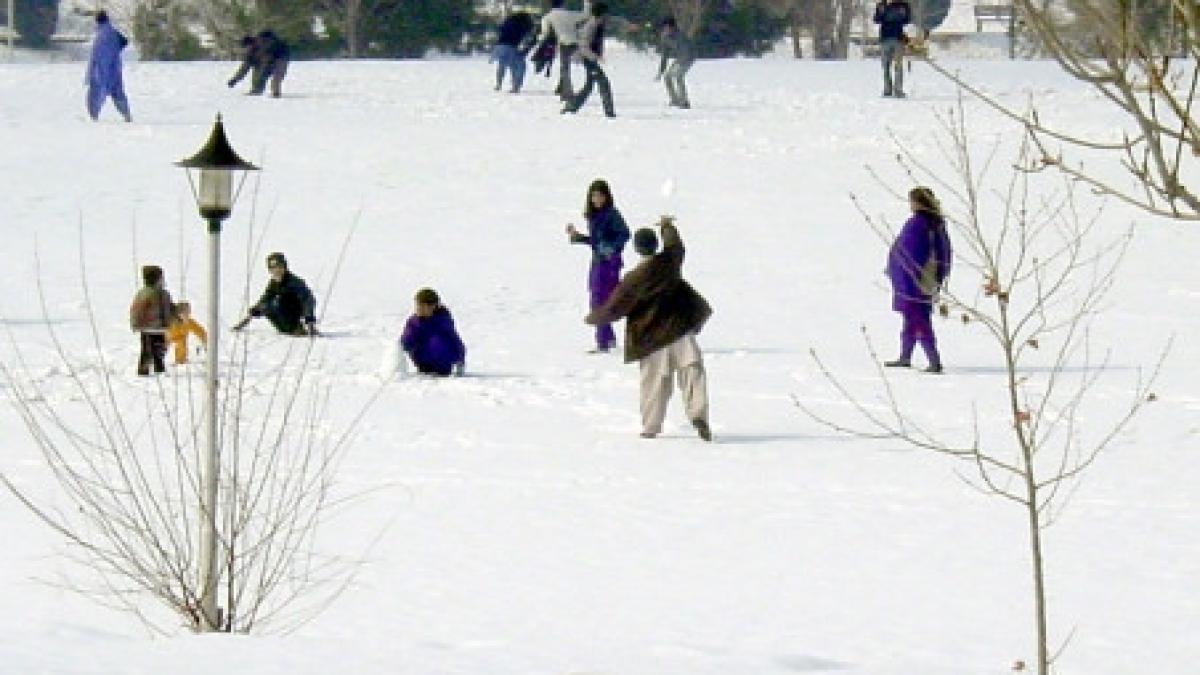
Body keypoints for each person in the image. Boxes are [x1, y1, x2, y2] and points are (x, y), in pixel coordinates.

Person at [586, 216, 713, 441]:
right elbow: (676, 245)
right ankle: (698, 414)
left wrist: (593, 318)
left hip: (651, 338)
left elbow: (614, 308)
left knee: (654, 385)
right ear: (655, 245)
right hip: (679, 329)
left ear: (637, 249)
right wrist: (667, 226)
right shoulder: (669, 262)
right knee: (693, 373)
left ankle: (651, 427)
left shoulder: (633, 280)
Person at [885, 187, 952, 373]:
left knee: (918, 317)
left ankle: (934, 360)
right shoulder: (935, 224)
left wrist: (902, 271)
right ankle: (905, 356)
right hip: (924, 279)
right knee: (911, 317)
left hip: (914, 280)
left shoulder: (919, 224)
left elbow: (910, 253)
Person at [566, 179, 629, 353]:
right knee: (597, 299)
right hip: (597, 262)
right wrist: (577, 237)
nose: (597, 199)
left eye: (600, 195)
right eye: (594, 196)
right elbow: (596, 242)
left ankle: (604, 341)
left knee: (601, 300)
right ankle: (607, 338)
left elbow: (625, 234)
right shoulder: (594, 216)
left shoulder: (612, 214)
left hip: (609, 263)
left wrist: (612, 248)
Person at [232, 252, 319, 336]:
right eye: (273, 268)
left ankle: (297, 328)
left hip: (295, 313)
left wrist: (309, 320)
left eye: (280, 267)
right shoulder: (273, 283)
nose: (277, 270)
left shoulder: (294, 282)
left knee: (279, 301)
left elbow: (308, 299)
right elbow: (265, 299)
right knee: (267, 306)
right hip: (282, 320)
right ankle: (291, 329)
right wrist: (250, 315)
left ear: (285, 267)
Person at [562, 2, 615, 118]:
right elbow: (583, 46)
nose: (608, 16)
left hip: (590, 58)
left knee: (589, 86)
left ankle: (571, 107)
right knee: (603, 83)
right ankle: (609, 112)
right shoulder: (590, 26)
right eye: (606, 14)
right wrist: (595, 57)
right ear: (601, 14)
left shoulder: (598, 24)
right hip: (587, 59)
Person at [400, 288, 467, 376]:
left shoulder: (442, 322)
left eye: (423, 306)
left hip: (442, 366)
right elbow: (405, 341)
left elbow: (456, 343)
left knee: (437, 340)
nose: (419, 309)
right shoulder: (414, 322)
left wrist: (460, 362)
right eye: (418, 305)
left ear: (433, 306)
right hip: (422, 363)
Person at [85, 10, 131, 122]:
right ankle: (127, 115)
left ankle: (93, 116)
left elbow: (96, 56)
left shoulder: (101, 35)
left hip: (102, 70)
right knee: (118, 93)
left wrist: (91, 73)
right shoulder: (112, 31)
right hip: (115, 69)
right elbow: (125, 41)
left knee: (96, 92)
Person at [129, 265, 174, 376]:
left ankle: (152, 369)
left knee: (153, 349)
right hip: (152, 327)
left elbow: (170, 308)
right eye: (161, 278)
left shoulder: (160, 294)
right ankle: (151, 370)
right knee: (153, 349)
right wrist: (135, 323)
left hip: (153, 328)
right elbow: (136, 310)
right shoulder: (153, 294)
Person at [541, 0, 584, 102]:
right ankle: (561, 88)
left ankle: (567, 94)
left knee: (565, 68)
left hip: (564, 43)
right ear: (563, 4)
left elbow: (545, 32)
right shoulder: (570, 14)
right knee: (569, 68)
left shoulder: (548, 17)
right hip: (576, 42)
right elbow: (584, 16)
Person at [874, 0, 912, 98]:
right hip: (885, 39)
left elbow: (907, 21)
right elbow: (876, 20)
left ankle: (898, 90)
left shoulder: (904, 5)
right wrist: (880, 11)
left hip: (898, 39)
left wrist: (903, 14)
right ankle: (887, 89)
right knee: (885, 66)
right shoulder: (882, 5)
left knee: (898, 66)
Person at [492, 11, 536, 93]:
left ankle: (498, 84)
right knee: (520, 66)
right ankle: (516, 87)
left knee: (503, 64)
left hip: (499, 46)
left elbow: (500, 29)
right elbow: (528, 38)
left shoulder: (508, 21)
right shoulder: (523, 25)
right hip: (510, 47)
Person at [656, 17, 694, 109]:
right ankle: (675, 100)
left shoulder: (680, 36)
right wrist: (661, 70)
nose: (666, 30)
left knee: (678, 76)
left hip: (688, 58)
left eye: (668, 28)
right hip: (679, 59)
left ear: (673, 27)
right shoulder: (664, 37)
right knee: (667, 77)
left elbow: (687, 51)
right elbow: (665, 55)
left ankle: (684, 101)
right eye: (664, 28)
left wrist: (681, 64)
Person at [254, 30, 290, 98]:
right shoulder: (262, 43)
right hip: (272, 59)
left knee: (277, 76)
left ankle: (275, 93)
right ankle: (257, 90)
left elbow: (265, 51)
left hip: (282, 59)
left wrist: (258, 57)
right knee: (264, 75)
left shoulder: (272, 43)